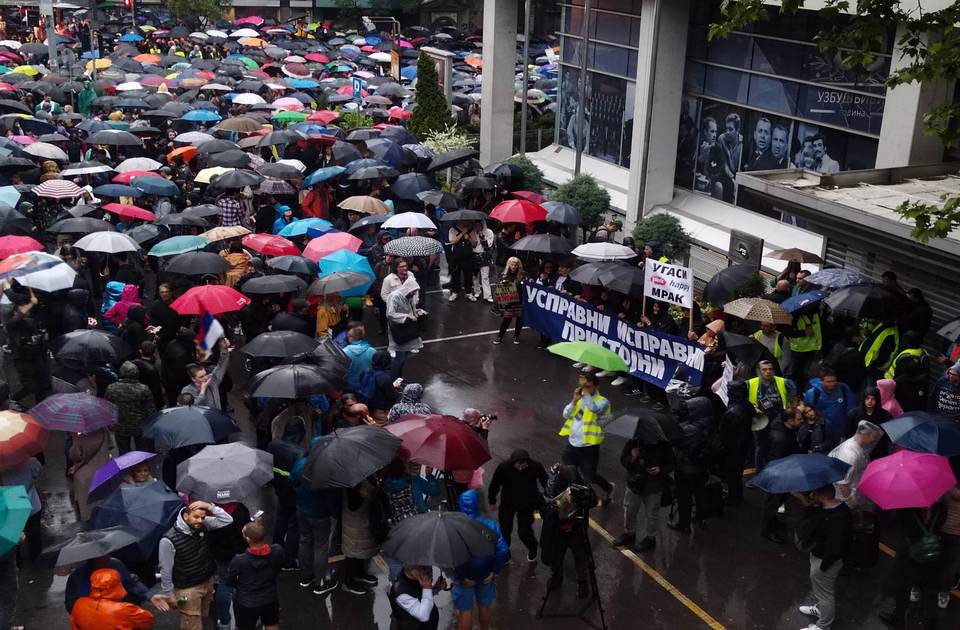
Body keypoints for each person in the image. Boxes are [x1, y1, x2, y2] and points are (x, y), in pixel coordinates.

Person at [157, 501, 234, 630]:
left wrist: (210, 507)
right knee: (191, 624)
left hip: (207, 582)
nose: (200, 520)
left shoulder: (201, 525)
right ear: (186, 516)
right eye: (196, 517)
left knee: (203, 616)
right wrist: (169, 595)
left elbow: (227, 520)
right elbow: (165, 569)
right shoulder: (168, 540)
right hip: (188, 590)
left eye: (203, 517)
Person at [612, 413, 675, 552]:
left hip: (653, 486)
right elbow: (624, 460)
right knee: (629, 510)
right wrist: (633, 457)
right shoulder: (634, 442)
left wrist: (659, 470)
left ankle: (650, 538)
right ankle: (629, 533)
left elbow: (671, 464)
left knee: (652, 514)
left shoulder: (663, 445)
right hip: (635, 483)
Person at [450, 490, 510, 630]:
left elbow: (454, 555)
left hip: (464, 576)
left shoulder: (455, 527)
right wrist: (494, 571)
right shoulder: (491, 525)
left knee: (465, 611)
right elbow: (504, 551)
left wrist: (461, 576)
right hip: (486, 573)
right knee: (484, 606)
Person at [291, 437, 341, 596]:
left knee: (305, 540)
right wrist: (335, 513)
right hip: (320, 515)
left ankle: (306, 577)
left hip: (302, 509)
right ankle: (319, 583)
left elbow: (291, 481)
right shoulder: (329, 471)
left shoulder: (300, 464)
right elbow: (331, 498)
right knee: (321, 547)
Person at [797, 485, 852, 630]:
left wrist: (823, 567)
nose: (812, 495)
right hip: (823, 557)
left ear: (823, 496)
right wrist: (810, 507)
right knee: (822, 591)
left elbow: (835, 546)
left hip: (825, 561)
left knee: (825, 594)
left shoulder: (835, 518)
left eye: (814, 493)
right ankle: (821, 610)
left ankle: (823, 625)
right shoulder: (838, 509)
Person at [559, 372, 615, 506]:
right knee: (569, 473)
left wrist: (586, 396)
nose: (584, 389)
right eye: (582, 386)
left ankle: (608, 487)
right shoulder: (580, 399)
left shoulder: (603, 402)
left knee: (590, 476)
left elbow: (594, 409)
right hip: (572, 445)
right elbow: (566, 414)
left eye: (587, 386)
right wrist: (574, 401)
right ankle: (576, 497)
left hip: (589, 448)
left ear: (596, 386)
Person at [540, 464, 593, 598]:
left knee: (580, 555)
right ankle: (556, 576)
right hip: (557, 528)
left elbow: (593, 500)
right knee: (555, 554)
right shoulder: (552, 485)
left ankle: (583, 582)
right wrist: (561, 505)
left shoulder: (582, 484)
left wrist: (584, 499)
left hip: (577, 526)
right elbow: (544, 509)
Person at [488, 449, 548, 562]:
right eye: (518, 465)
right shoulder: (503, 467)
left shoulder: (536, 466)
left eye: (523, 465)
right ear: (512, 463)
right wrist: (492, 500)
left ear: (528, 462)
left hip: (527, 504)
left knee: (524, 531)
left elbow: (545, 481)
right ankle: (505, 553)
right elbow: (495, 484)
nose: (520, 468)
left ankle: (533, 548)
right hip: (508, 503)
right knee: (505, 530)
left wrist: (550, 496)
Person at [225, 521, 284, 630]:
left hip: (246, 603)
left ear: (248, 539)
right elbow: (278, 566)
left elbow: (229, 581)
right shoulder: (277, 550)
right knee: (272, 624)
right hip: (270, 598)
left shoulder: (239, 560)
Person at [747, 360, 797, 470]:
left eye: (770, 369)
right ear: (759, 371)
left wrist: (791, 410)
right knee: (760, 448)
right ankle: (759, 475)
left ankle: (780, 471)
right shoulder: (750, 383)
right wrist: (753, 408)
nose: (768, 372)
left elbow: (793, 400)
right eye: (764, 369)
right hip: (760, 421)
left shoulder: (784, 382)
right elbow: (742, 400)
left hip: (779, 421)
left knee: (780, 446)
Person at [69, 568, 154, 630]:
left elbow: (74, 625)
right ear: (116, 584)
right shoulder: (123, 609)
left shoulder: (79, 603)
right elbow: (147, 620)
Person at [105, 361, 157, 454]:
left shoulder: (112, 388)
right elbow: (150, 410)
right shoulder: (144, 389)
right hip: (140, 426)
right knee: (142, 453)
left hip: (120, 425)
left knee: (124, 453)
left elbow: (107, 407)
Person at [828, 421, 882, 508]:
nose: (874, 440)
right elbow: (843, 484)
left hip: (854, 487)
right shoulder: (849, 454)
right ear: (865, 434)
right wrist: (851, 503)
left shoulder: (857, 445)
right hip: (845, 496)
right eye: (874, 437)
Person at [340, 479, 380, 594]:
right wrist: (365, 495)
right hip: (354, 522)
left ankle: (359, 573)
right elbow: (353, 504)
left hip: (360, 521)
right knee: (352, 552)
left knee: (359, 551)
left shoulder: (362, 475)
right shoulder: (352, 481)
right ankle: (349, 582)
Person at [68, 426, 114, 521]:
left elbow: (75, 456)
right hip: (104, 471)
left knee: (87, 506)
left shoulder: (80, 438)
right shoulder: (104, 431)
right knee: (103, 501)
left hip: (85, 476)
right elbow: (111, 446)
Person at [803, 366, 856, 448]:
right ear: (821, 381)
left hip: (841, 431)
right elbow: (806, 413)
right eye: (828, 382)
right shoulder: (813, 393)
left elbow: (851, 409)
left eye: (834, 381)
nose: (832, 384)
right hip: (822, 433)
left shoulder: (843, 388)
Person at [180, 337, 232, 410]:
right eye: (201, 377)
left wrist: (224, 350)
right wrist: (202, 392)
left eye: (205, 374)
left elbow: (221, 366)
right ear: (193, 379)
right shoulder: (187, 391)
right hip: (204, 420)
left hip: (216, 414)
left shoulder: (212, 380)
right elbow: (189, 410)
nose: (205, 378)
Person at [389, 565, 444, 630]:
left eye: (430, 567)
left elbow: (419, 597)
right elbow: (423, 615)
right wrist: (427, 588)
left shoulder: (415, 578)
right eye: (424, 568)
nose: (429, 572)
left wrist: (435, 589)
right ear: (411, 566)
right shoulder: (400, 591)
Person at [492, 257, 524, 345]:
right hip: (509, 301)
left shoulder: (522, 274)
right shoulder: (504, 274)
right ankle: (500, 336)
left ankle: (516, 336)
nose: (514, 266)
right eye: (512, 264)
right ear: (509, 265)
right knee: (506, 320)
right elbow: (499, 286)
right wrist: (502, 283)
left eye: (516, 265)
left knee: (520, 320)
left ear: (518, 265)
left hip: (520, 301)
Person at [448, 220, 478, 302]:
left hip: (468, 257)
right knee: (455, 275)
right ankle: (454, 293)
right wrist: (462, 233)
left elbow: (475, 244)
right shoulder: (452, 229)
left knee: (468, 275)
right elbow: (452, 241)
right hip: (456, 257)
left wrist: (469, 237)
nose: (465, 222)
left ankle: (469, 293)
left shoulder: (472, 230)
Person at [342, 324, 375, 392]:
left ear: (351, 337)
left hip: (349, 386)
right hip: (367, 385)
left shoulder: (344, 352)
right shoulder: (372, 351)